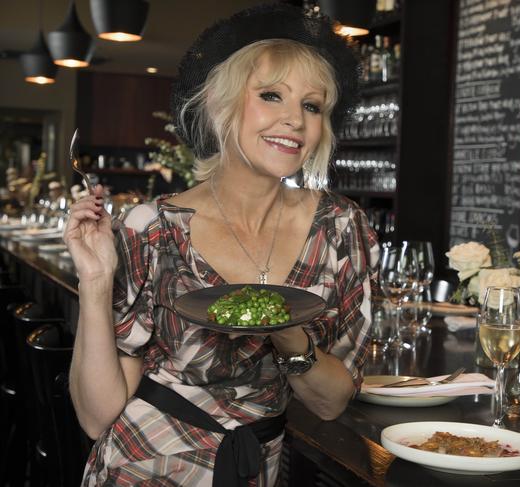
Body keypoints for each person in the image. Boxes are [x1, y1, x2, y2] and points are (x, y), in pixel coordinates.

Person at [63, 3, 379, 486]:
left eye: (312, 106)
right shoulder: (151, 228)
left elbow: (331, 402)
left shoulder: (341, 229)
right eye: (272, 96)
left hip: (257, 465)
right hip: (145, 464)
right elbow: (96, 417)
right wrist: (95, 279)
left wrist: (285, 329)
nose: (294, 119)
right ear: (221, 103)